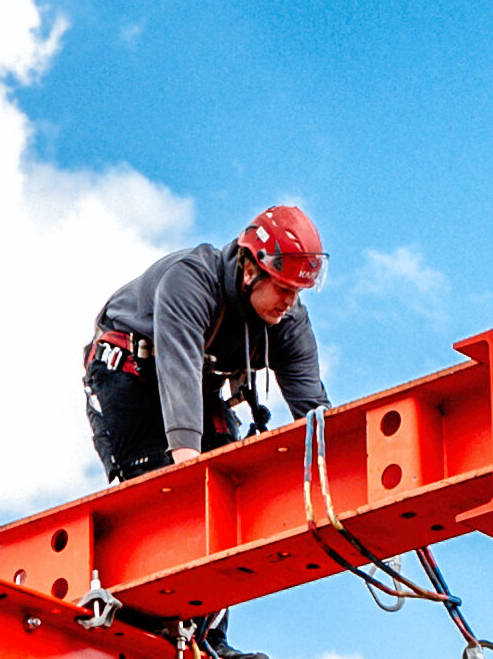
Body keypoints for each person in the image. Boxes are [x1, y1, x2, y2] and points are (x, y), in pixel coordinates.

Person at [83, 204, 329, 481]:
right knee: (159, 482)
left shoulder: (289, 322)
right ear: (249, 271)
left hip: (198, 386)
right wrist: (190, 478)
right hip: (129, 371)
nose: (290, 302)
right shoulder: (190, 283)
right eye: (282, 288)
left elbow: (314, 415)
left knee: (233, 481)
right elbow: (180, 374)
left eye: (297, 291)